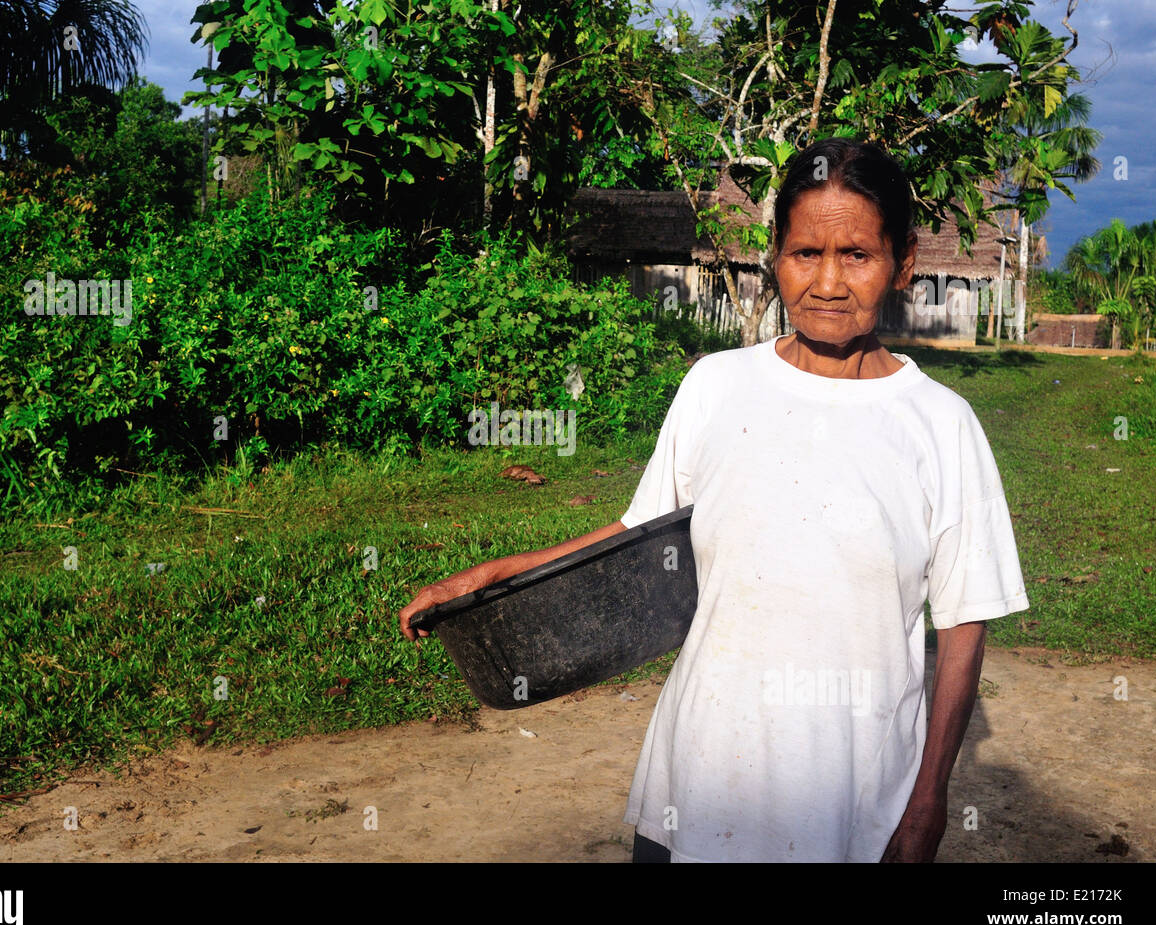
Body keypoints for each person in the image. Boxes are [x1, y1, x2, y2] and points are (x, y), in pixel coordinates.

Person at [399, 137, 1029, 862]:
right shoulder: (716, 386)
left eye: (856, 254)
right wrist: (492, 576)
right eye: (804, 253)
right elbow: (635, 537)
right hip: (698, 784)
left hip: (852, 802)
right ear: (775, 256)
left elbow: (961, 629)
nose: (827, 281)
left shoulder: (941, 425)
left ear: (902, 263)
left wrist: (925, 806)